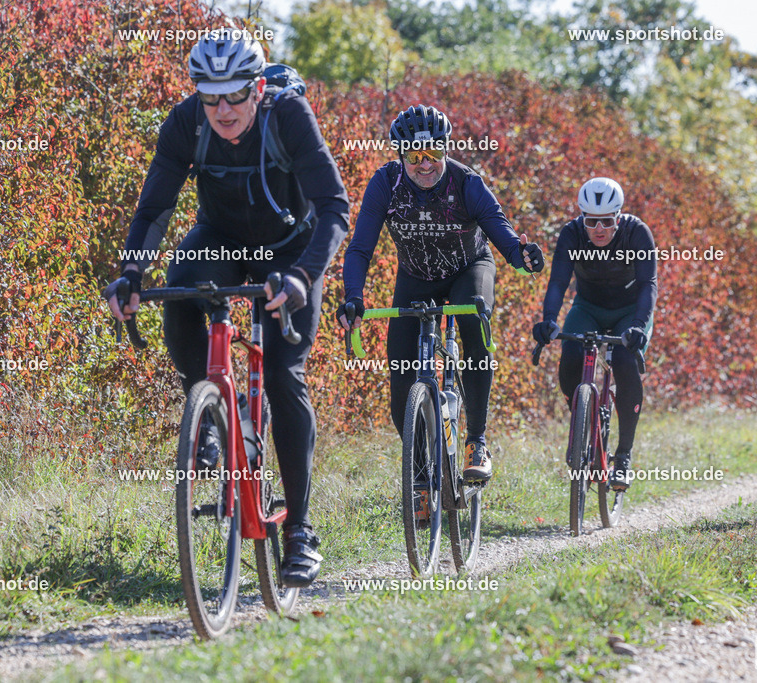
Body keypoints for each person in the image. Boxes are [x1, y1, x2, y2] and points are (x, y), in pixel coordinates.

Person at [105, 30, 349, 587]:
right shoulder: (185, 122)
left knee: (286, 377)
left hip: (291, 251)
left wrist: (305, 276)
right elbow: (154, 209)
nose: (222, 110)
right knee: (183, 291)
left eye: (235, 95)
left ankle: (300, 530)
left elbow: (335, 207)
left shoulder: (288, 115)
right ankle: (215, 414)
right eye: (209, 96)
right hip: (220, 241)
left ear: (258, 87)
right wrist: (131, 273)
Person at [338, 105, 543, 511]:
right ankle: (420, 478)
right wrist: (354, 296)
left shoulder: (467, 182)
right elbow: (360, 246)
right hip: (416, 276)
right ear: (400, 156)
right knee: (401, 380)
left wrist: (521, 257)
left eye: (432, 153)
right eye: (414, 156)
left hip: (470, 267)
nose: (425, 164)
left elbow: (499, 230)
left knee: (473, 317)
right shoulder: (385, 184)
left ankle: (477, 442)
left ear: (445, 149)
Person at [532, 177, 657, 490]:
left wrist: (639, 327)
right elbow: (559, 282)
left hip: (630, 311)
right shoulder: (572, 234)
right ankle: (581, 424)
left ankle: (624, 455)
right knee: (570, 358)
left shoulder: (637, 233)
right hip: (588, 307)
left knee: (626, 365)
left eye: (606, 221)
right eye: (591, 221)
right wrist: (549, 319)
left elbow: (648, 285)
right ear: (581, 218)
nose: (599, 228)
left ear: (618, 217)